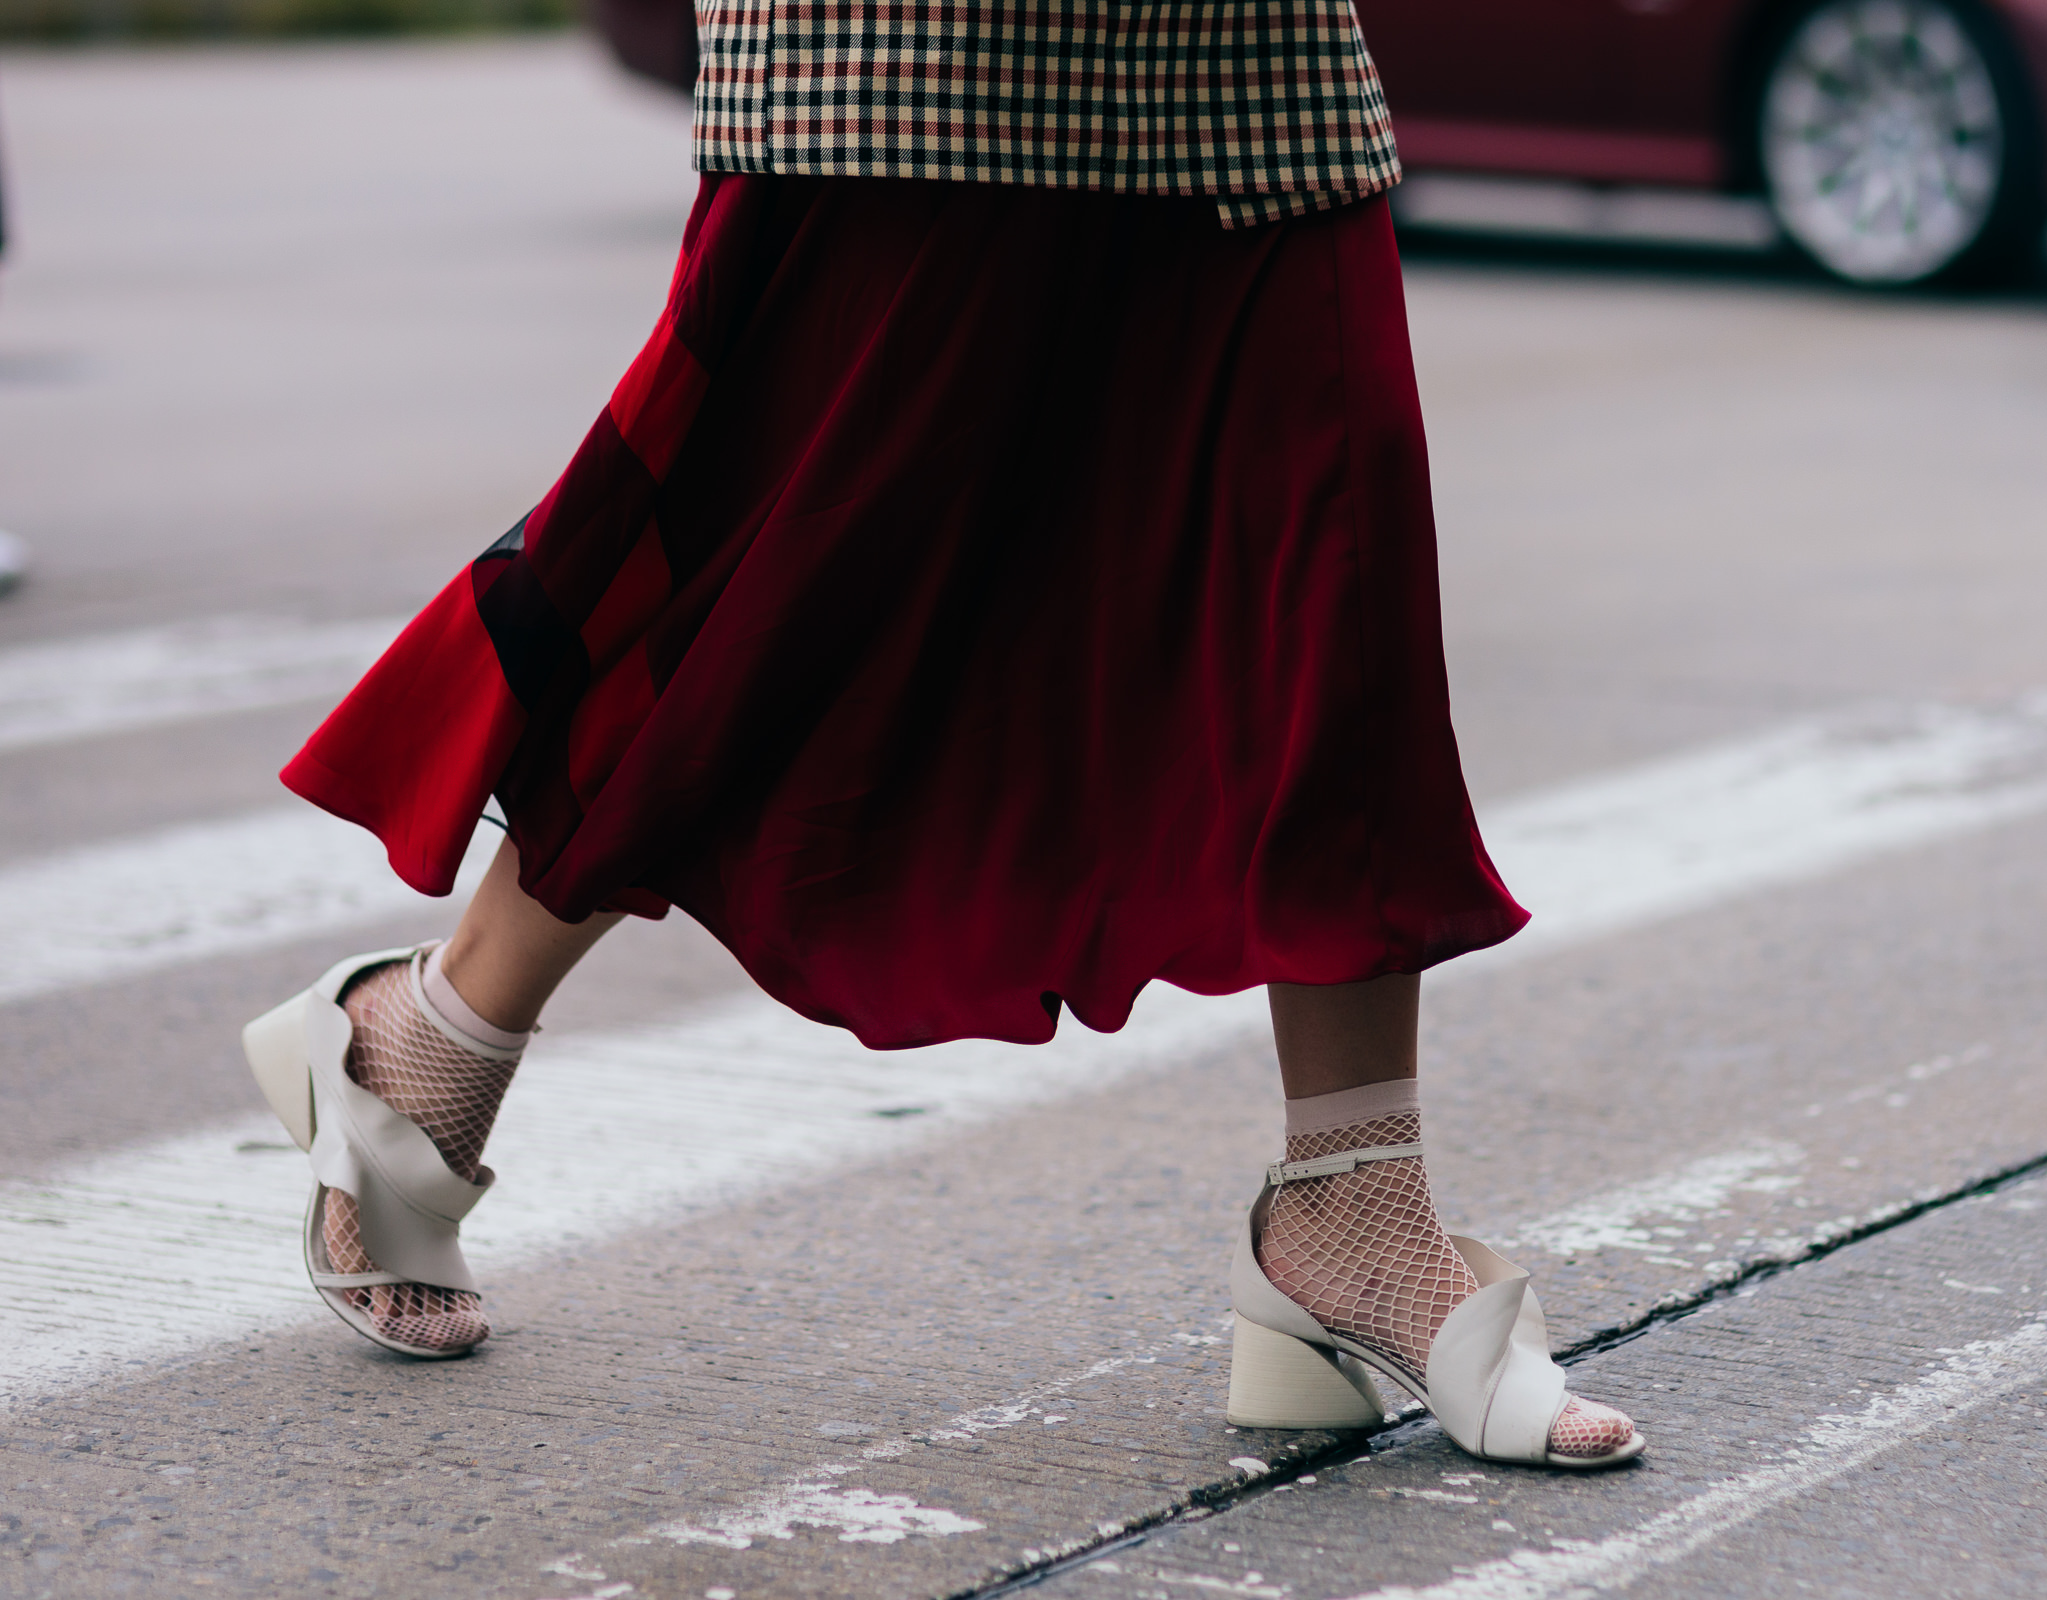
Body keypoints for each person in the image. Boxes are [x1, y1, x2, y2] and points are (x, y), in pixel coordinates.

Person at [243, 0, 1642, 1470]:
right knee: (789, 592)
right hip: (919, 54)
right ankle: (436, 1033)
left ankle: (1355, 1199)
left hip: (1243, 57)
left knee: (1328, 562)